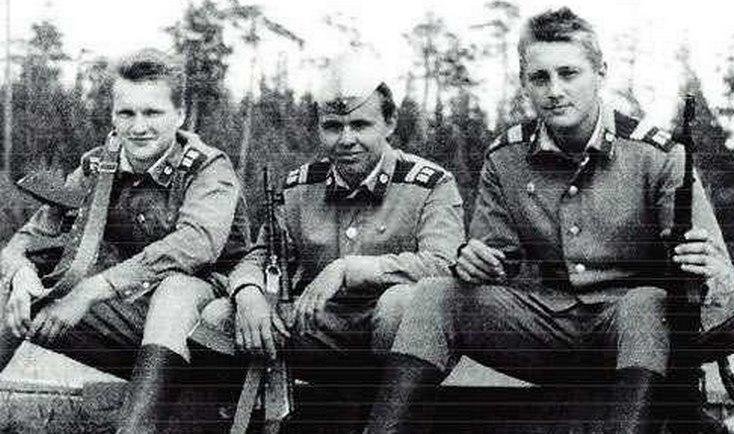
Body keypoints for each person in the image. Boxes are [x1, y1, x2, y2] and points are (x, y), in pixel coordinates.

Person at [365, 7, 734, 434]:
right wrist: (475, 261)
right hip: (545, 327)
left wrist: (711, 273)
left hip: (632, 340)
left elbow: (718, 276)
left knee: (645, 303)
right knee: (437, 295)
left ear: (600, 72)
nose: (555, 91)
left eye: (569, 73)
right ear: (524, 82)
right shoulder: (506, 157)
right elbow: (495, 259)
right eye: (540, 78)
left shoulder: (659, 155)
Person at [0, 48, 251, 432]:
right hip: (134, 317)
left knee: (175, 291)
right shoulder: (98, 166)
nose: (138, 127)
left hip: (212, 330)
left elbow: (197, 243)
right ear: (113, 116)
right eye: (126, 114)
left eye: (152, 113)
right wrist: (21, 276)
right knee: (8, 289)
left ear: (180, 115)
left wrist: (90, 291)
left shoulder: (207, 168)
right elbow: (31, 238)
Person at [210, 52, 464, 429]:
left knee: (400, 304)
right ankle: (229, 419)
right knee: (219, 316)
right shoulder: (299, 186)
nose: (346, 140)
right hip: (319, 327)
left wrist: (350, 269)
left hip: (401, 338)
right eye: (333, 126)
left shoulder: (429, 184)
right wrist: (247, 292)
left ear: (390, 123)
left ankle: (390, 423)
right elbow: (262, 255)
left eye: (360, 125)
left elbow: (444, 265)